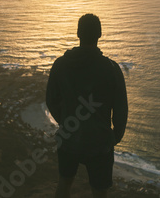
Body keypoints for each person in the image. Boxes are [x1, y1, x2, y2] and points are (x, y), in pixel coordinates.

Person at [46, 14, 128, 198]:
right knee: (99, 191)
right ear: (99, 34)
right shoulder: (112, 69)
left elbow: (51, 100)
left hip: (68, 139)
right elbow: (121, 108)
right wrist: (115, 136)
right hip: (99, 143)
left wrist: (66, 122)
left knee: (65, 182)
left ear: (78, 33)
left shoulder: (60, 65)